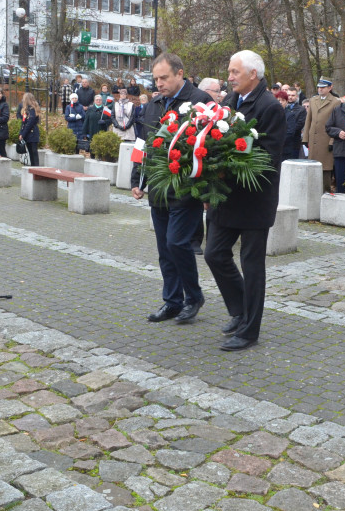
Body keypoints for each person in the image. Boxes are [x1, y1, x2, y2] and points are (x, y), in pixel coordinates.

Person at [205, 50, 285, 351]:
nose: (229, 76)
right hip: (225, 197)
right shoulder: (229, 102)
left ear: (254, 74)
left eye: (235, 71)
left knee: (252, 265)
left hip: (253, 201)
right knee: (213, 253)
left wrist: (229, 163)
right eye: (229, 71)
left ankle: (250, 330)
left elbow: (267, 158)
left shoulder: (270, 108)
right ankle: (239, 309)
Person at [131, 53, 213, 326]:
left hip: (185, 188)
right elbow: (142, 144)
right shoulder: (154, 105)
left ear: (180, 73)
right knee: (165, 249)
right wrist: (136, 179)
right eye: (155, 78)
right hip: (157, 188)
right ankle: (172, 301)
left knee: (177, 243)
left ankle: (193, 297)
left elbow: (210, 148)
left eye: (164, 77)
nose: (159, 83)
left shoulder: (200, 102)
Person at [303, 79, 341, 193]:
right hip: (313, 140)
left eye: (323, 87)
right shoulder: (313, 100)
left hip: (325, 140)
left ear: (330, 88)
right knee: (312, 168)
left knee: (325, 169)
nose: (320, 89)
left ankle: (326, 193)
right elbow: (308, 120)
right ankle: (312, 193)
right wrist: (305, 138)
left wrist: (331, 141)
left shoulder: (335, 102)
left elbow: (336, 123)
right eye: (319, 87)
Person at [282, 86, 307, 160]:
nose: (290, 97)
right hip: (281, 143)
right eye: (288, 95)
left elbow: (299, 125)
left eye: (293, 95)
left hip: (293, 143)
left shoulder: (301, 109)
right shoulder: (281, 107)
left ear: (297, 96)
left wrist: (287, 130)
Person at [18, 92, 41, 166]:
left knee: (33, 152)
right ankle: (33, 167)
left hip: (32, 133)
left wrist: (23, 134)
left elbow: (29, 123)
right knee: (31, 152)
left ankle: (36, 168)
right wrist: (21, 133)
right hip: (28, 134)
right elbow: (23, 123)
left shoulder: (32, 110)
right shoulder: (27, 110)